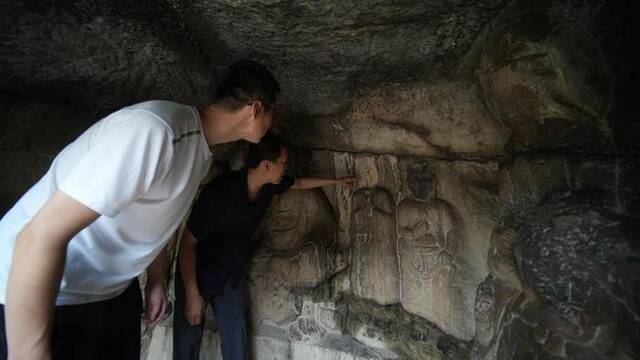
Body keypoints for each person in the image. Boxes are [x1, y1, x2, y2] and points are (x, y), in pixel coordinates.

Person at [0, 59, 280, 360]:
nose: (272, 123)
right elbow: (38, 236)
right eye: (272, 112)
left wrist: (157, 279)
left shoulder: (198, 151)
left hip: (109, 288)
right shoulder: (154, 131)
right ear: (255, 109)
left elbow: (154, 219)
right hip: (42, 290)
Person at [173, 133, 354, 360]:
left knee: (236, 347)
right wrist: (192, 294)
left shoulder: (268, 187)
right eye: (283, 163)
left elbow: (299, 182)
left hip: (229, 278)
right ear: (266, 165)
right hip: (196, 275)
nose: (285, 168)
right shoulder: (219, 192)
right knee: (186, 348)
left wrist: (336, 182)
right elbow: (187, 243)